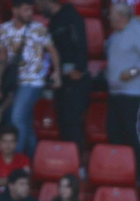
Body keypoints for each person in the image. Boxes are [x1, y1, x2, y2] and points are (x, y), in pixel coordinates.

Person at [0, 0, 60, 155]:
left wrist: (56, 72)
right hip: (15, 81)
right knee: (25, 122)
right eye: (25, 10)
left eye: (31, 10)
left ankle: (15, 158)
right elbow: (3, 59)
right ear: (15, 10)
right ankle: (32, 159)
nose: (30, 13)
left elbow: (52, 51)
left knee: (16, 117)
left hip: (33, 80)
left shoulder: (39, 28)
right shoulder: (4, 29)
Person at [105, 3, 140, 162]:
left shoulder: (137, 31)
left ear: (122, 16)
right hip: (116, 92)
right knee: (114, 131)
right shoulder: (115, 33)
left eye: (112, 14)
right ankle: (120, 167)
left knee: (132, 131)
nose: (109, 17)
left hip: (134, 93)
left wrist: (134, 71)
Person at [37, 0, 90, 150]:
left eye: (40, 4)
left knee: (72, 122)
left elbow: (80, 42)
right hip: (61, 79)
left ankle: (76, 162)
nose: (39, 7)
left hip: (75, 78)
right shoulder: (53, 21)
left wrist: (79, 68)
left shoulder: (70, 16)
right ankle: (68, 159)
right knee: (63, 122)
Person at [0, 126, 30, 192]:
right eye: (4, 141)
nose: (8, 145)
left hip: (16, 198)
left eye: (11, 141)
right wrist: (12, 180)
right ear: (0, 142)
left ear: (16, 143)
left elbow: (25, 183)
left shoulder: (24, 160)